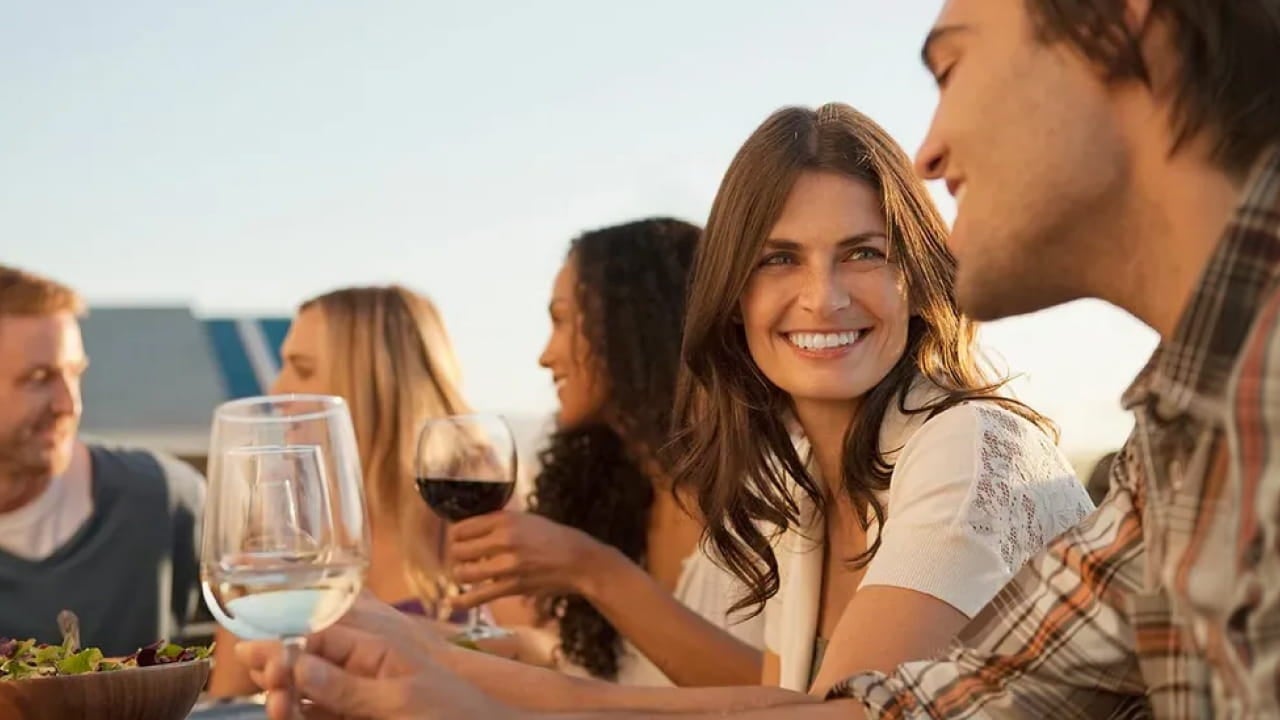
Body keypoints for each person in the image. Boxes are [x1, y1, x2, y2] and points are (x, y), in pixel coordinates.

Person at [238, 100, 1098, 719]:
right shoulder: (804, 479)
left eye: (863, 254)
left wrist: (471, 692)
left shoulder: (967, 443)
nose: (823, 296)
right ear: (731, 293)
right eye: (779, 259)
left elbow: (834, 719)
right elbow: (769, 701)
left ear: (916, 275)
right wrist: (427, 659)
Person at [448, 217, 765, 686]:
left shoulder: (767, 498)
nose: (545, 356)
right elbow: (618, 681)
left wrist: (591, 569)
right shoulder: (620, 497)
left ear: (632, 326)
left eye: (561, 321)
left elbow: (794, 700)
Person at [208, 285, 475, 696]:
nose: (277, 392)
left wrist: (411, 637)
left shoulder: (474, 509)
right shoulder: (283, 528)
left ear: (376, 384)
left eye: (302, 370)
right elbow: (230, 701)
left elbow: (552, 663)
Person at [0, 264, 204, 657]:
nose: (69, 404)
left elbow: (257, 616)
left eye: (74, 374)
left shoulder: (162, 499)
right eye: (39, 378)